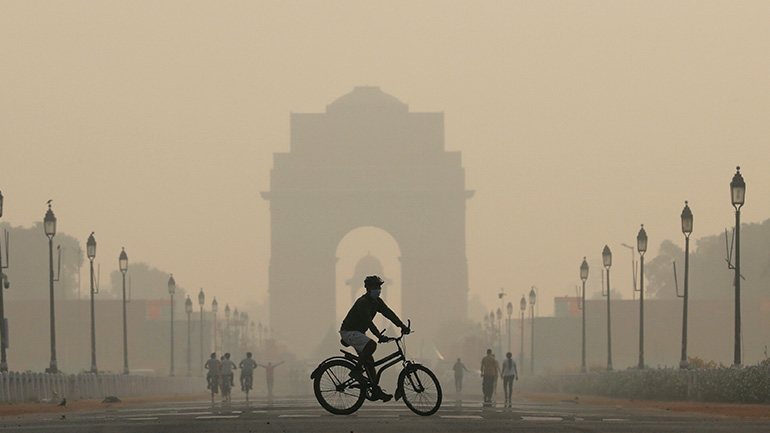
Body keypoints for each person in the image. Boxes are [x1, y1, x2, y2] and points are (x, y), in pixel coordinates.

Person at [339, 275, 410, 402]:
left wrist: (402, 325)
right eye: (374, 287)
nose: (377, 289)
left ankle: (375, 390)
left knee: (370, 363)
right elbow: (368, 322)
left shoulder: (377, 302)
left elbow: (389, 314)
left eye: (379, 287)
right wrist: (379, 336)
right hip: (349, 332)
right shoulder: (363, 303)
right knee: (372, 345)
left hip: (358, 333)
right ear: (367, 289)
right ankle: (356, 370)